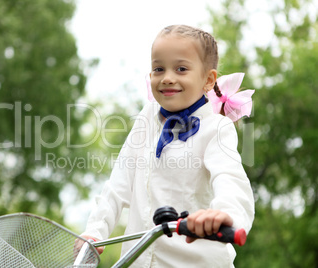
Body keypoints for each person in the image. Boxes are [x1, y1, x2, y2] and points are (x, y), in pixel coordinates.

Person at [81, 24, 255, 267]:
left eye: (181, 69)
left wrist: (224, 214)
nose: (167, 78)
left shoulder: (216, 129)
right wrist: (95, 233)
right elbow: (118, 185)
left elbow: (231, 180)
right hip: (137, 260)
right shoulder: (146, 119)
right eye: (158, 69)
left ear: (208, 79)